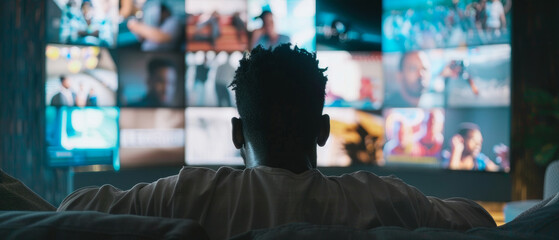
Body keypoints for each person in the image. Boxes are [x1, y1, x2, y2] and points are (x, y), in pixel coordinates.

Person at [58, 44, 496, 240]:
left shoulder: (187, 193)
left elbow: (72, 211)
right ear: (323, 130)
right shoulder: (382, 198)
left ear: (235, 134)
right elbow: (478, 219)